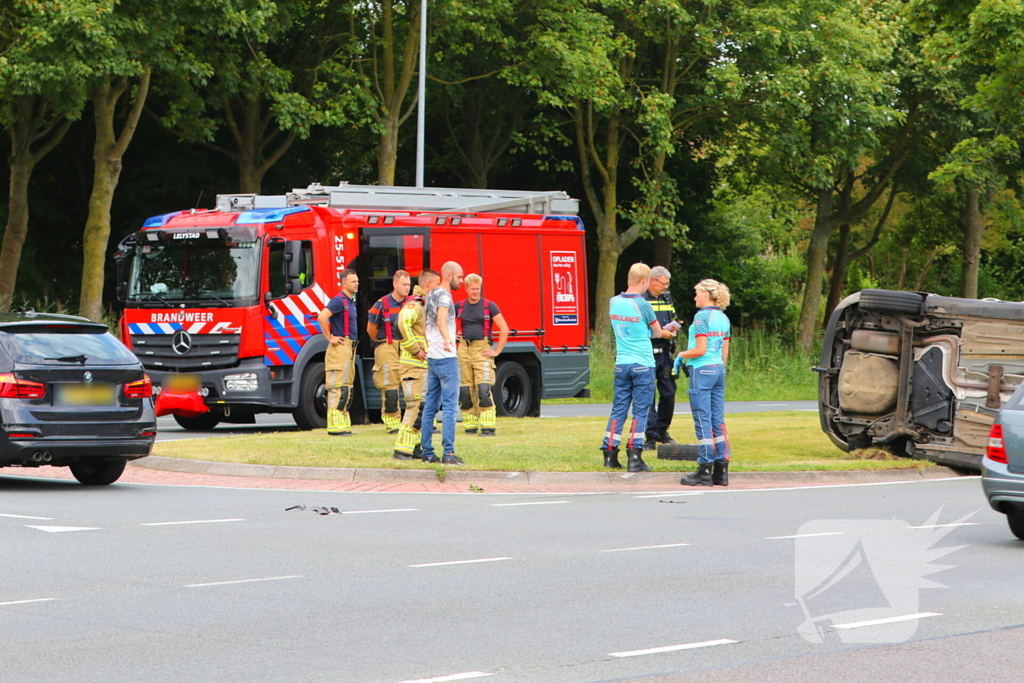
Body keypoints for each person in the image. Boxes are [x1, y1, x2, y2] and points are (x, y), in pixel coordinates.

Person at [600, 263, 663, 472]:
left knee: (618, 409)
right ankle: (634, 455)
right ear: (644, 281)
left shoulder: (613, 301)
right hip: (643, 363)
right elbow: (657, 332)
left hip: (622, 363)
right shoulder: (643, 304)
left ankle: (609, 453)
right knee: (640, 411)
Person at [678, 279, 732, 487]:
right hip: (718, 369)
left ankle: (705, 468)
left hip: (702, 369)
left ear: (707, 294)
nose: (695, 297)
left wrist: (681, 356)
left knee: (702, 419)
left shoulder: (701, 317)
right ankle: (722, 467)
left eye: (697, 293)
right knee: (717, 419)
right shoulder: (723, 317)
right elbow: (724, 352)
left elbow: (700, 350)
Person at [419, 261, 465, 465]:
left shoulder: (431, 294)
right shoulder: (445, 296)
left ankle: (427, 452)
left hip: (432, 356)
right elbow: (441, 319)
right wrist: (447, 339)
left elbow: (424, 323)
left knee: (430, 405)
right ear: (448, 275)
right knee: (449, 406)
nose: (461, 281)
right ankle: (448, 453)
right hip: (446, 357)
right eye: (459, 277)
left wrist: (429, 342)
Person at [392, 270, 439, 460]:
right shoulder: (416, 304)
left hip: (423, 367)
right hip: (414, 365)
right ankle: (402, 449)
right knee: (416, 407)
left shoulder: (426, 304)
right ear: (428, 284)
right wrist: (415, 349)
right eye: (437, 284)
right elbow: (403, 322)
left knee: (425, 407)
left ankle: (416, 446)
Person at [455, 274, 509, 436]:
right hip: (463, 349)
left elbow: (504, 328)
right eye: (472, 289)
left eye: (478, 288)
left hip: (482, 350)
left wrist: (496, 351)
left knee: (483, 388)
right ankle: (470, 426)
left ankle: (487, 427)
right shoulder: (459, 306)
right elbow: (444, 322)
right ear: (466, 289)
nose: (475, 292)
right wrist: (453, 335)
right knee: (465, 390)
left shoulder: (489, 306)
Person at [366, 270, 412, 434]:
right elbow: (371, 329)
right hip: (387, 346)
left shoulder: (413, 303)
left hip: (408, 346)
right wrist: (383, 343)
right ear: (395, 284)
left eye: (409, 284)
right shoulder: (381, 304)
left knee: (412, 385)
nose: (407, 288)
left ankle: (411, 421)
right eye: (404, 284)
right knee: (390, 387)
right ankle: (392, 423)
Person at [317, 269, 359, 436]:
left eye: (357, 281)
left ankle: (342, 425)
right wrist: (330, 338)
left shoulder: (350, 302)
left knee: (346, 387)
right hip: (340, 348)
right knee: (338, 387)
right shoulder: (339, 301)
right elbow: (322, 316)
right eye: (353, 281)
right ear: (344, 283)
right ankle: (335, 427)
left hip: (349, 347)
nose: (357, 283)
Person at [643, 265, 679, 450]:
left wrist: (673, 327)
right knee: (648, 394)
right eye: (663, 283)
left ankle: (662, 430)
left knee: (669, 392)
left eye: (667, 284)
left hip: (665, 352)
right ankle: (650, 435)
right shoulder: (641, 299)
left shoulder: (666, 297)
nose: (666, 287)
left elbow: (673, 317)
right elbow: (640, 328)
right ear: (652, 280)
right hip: (647, 352)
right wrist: (659, 332)